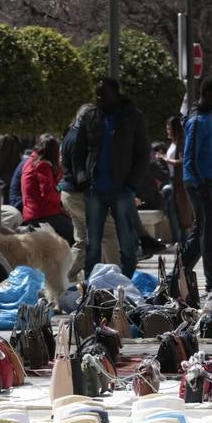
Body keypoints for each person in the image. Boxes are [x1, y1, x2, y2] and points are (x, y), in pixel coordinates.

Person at [72, 77, 149, 278]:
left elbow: (142, 154)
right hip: (95, 189)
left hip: (122, 189)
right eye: (97, 93)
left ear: (116, 93)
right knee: (92, 244)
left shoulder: (133, 117)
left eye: (103, 93)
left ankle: (129, 282)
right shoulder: (90, 117)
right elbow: (78, 152)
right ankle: (91, 284)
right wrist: (82, 178)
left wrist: (131, 184)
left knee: (127, 242)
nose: (99, 97)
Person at [59, 103, 118, 279]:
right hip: (80, 195)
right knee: (108, 233)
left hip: (69, 194)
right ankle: (119, 276)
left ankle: (63, 276)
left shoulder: (71, 134)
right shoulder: (80, 138)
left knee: (83, 241)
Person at [182, 77, 212, 286]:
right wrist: (200, 185)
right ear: (207, 94)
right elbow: (190, 157)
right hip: (199, 184)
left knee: (204, 232)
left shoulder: (207, 118)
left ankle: (179, 273)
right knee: (208, 235)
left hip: (207, 182)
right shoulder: (197, 121)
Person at [20, 134, 74, 243]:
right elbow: (49, 193)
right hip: (43, 215)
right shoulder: (42, 166)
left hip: (34, 213)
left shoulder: (30, 162)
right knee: (75, 235)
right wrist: (62, 199)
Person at [156, 115, 187, 248]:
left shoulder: (181, 143)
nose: (167, 131)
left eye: (169, 128)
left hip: (179, 184)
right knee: (172, 212)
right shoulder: (172, 144)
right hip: (173, 181)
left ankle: (180, 240)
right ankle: (178, 239)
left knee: (179, 214)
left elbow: (181, 161)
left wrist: (165, 160)